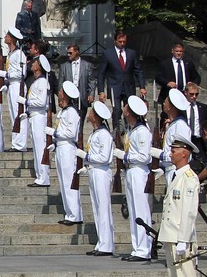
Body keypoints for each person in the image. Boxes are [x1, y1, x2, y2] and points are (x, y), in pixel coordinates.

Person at [158, 136, 200, 277]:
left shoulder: (190, 178)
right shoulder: (176, 175)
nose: (171, 153)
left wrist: (184, 239)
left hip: (181, 237)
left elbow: (189, 212)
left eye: (174, 150)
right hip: (170, 235)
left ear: (185, 153)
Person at [118, 96, 154, 262]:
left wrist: (126, 157)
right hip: (131, 172)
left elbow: (145, 156)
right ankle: (137, 247)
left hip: (139, 171)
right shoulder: (132, 130)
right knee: (133, 210)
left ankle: (144, 248)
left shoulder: (142, 131)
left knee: (141, 210)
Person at [80, 100, 115, 256]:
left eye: (92, 112)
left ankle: (107, 245)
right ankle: (101, 242)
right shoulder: (95, 133)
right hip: (94, 171)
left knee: (103, 207)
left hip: (101, 172)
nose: (89, 114)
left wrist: (86, 156)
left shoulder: (104, 134)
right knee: (96, 207)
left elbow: (104, 157)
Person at [97, 31, 146, 127]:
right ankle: (117, 132)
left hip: (129, 86)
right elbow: (101, 73)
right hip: (114, 87)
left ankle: (129, 129)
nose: (122, 43)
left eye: (124, 41)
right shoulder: (108, 54)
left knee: (130, 110)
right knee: (117, 110)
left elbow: (138, 70)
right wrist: (101, 91)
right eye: (120, 41)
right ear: (115, 41)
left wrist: (142, 86)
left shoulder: (131, 53)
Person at [53, 81, 83, 226]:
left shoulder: (71, 112)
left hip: (67, 148)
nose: (58, 93)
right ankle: (70, 212)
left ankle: (74, 214)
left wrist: (55, 133)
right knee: (63, 181)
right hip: (60, 147)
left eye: (60, 92)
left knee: (68, 181)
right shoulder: (63, 111)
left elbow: (71, 133)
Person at [26, 55, 51, 184]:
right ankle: (39, 175)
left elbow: (41, 102)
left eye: (35, 63)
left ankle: (43, 176)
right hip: (33, 116)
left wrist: (27, 102)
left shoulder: (42, 82)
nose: (32, 64)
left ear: (39, 67)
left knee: (40, 146)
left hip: (39, 117)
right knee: (36, 146)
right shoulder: (36, 82)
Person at [158, 89, 191, 184]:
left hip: (176, 169)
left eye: (166, 101)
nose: (164, 103)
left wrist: (161, 155)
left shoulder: (180, 125)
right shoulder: (173, 125)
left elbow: (182, 152)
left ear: (170, 108)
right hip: (169, 168)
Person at [3, 28, 28, 151]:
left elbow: (21, 73)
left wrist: (7, 75)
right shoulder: (10, 54)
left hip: (18, 85)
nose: (5, 37)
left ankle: (21, 143)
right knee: (13, 114)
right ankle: (15, 142)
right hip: (11, 85)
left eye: (7, 36)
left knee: (19, 114)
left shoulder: (19, 54)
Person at [59, 44, 95, 124]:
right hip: (68, 98)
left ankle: (80, 136)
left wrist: (91, 94)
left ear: (77, 52)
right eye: (68, 53)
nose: (68, 55)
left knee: (80, 123)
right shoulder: (64, 66)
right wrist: (60, 98)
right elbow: (61, 82)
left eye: (70, 53)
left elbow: (91, 81)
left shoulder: (87, 65)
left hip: (82, 97)